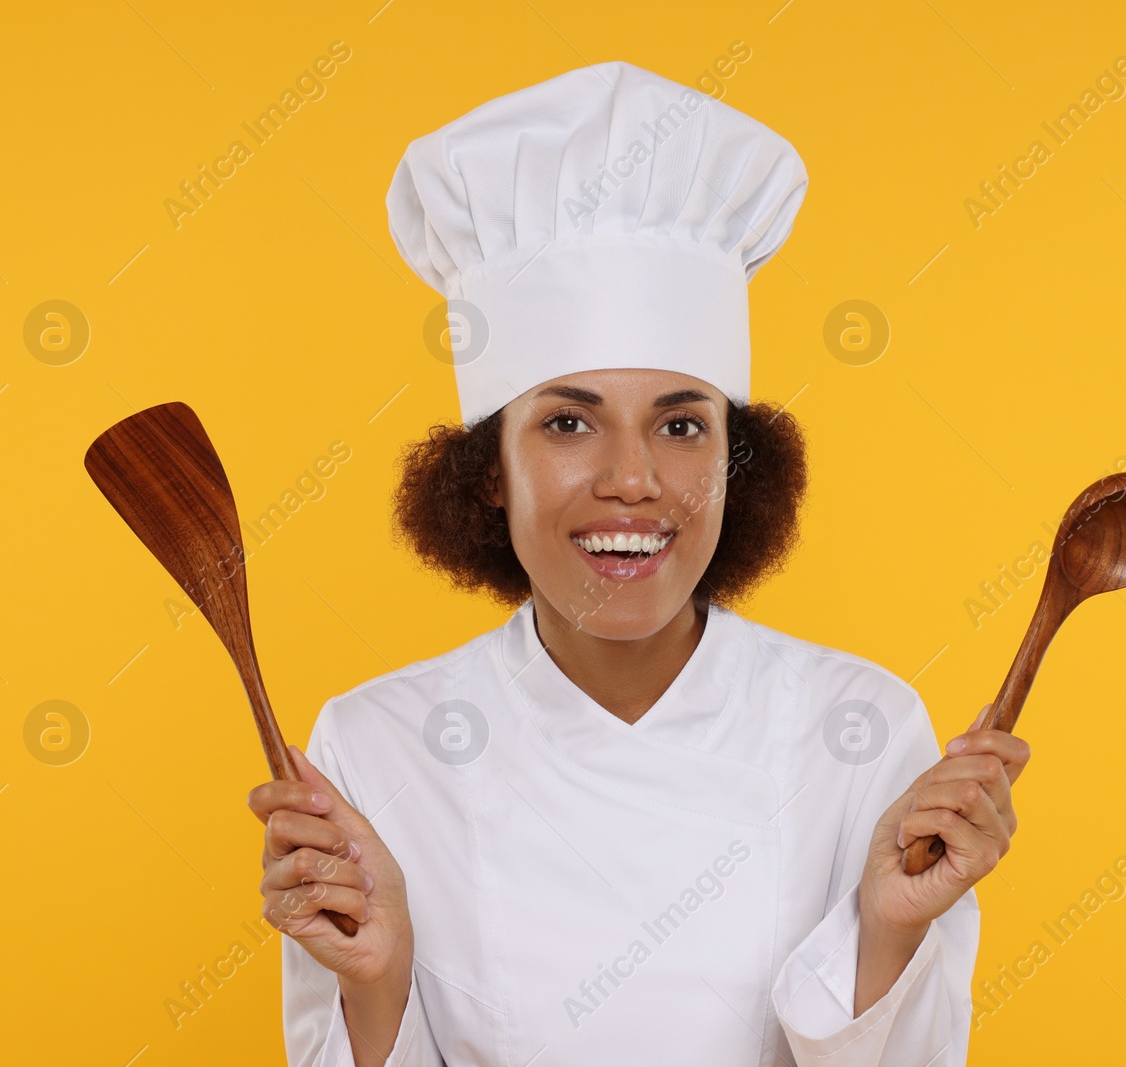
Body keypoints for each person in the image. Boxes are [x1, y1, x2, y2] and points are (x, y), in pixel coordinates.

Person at [247, 60, 1028, 1067]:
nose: (631, 478)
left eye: (680, 424)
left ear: (734, 461)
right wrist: (379, 987)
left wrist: (884, 933)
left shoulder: (863, 730)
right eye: (568, 420)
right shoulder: (371, 748)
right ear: (488, 468)